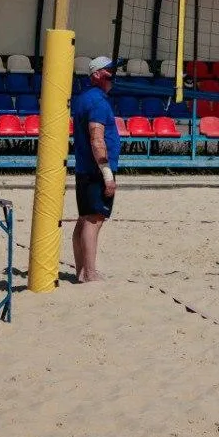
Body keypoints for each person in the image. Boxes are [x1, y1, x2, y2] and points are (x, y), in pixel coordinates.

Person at [70, 56, 122, 283]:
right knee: (94, 219)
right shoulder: (98, 102)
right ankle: (90, 273)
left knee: (84, 219)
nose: (114, 76)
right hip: (95, 170)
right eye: (111, 72)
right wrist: (107, 173)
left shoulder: (84, 98)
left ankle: (81, 270)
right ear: (99, 75)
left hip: (84, 168)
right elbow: (97, 138)